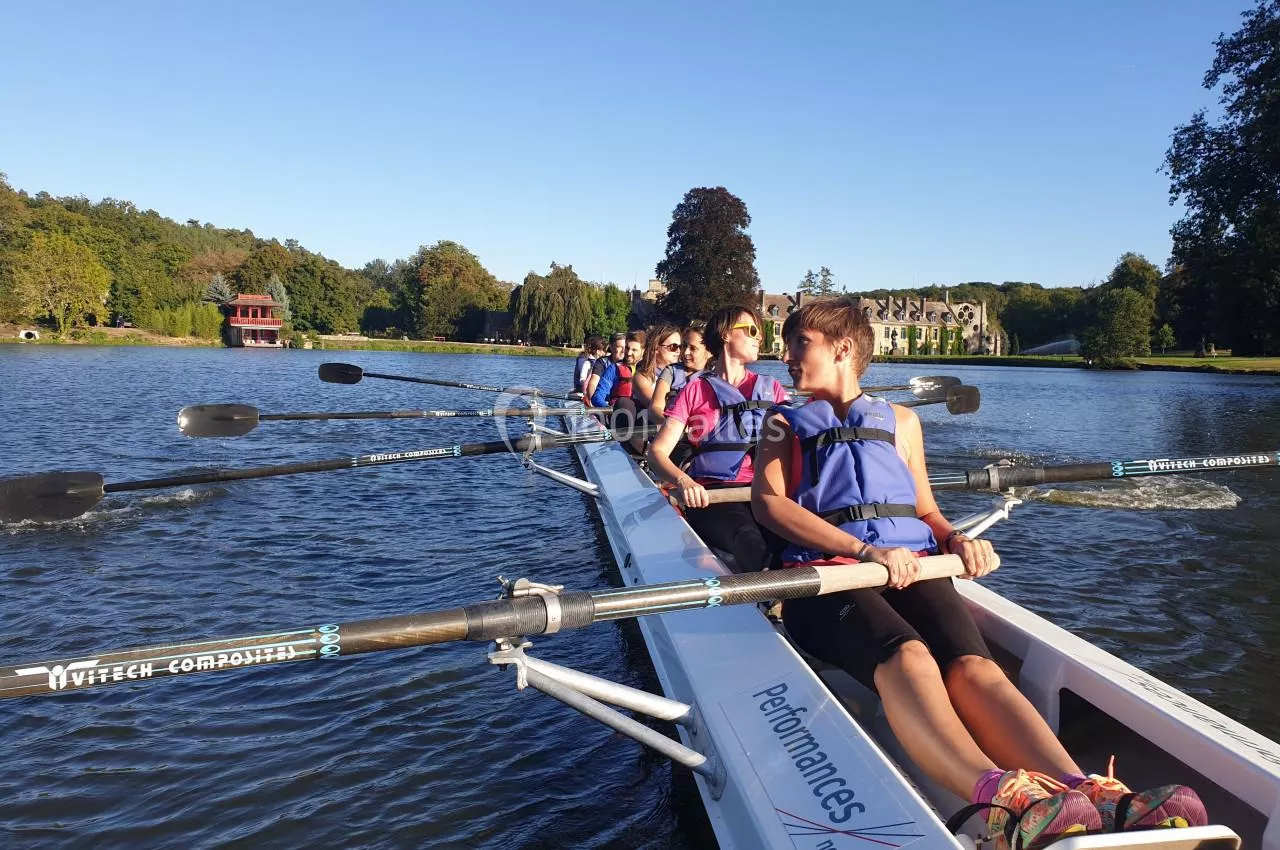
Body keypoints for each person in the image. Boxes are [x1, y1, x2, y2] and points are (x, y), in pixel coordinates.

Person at [750, 299, 1206, 848]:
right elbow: (769, 506)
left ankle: (1085, 791)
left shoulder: (902, 422)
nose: (785, 354)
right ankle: (1001, 800)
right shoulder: (782, 424)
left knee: (974, 667)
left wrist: (956, 539)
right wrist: (863, 550)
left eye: (799, 342)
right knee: (909, 656)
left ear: (842, 348)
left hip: (911, 564)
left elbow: (924, 509)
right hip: (828, 577)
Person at [647, 306, 787, 574]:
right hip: (713, 497)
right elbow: (657, 453)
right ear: (726, 334)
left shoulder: (773, 389)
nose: (760, 338)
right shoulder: (695, 390)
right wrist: (684, 481)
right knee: (750, 542)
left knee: (795, 547)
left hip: (767, 491)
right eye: (753, 330)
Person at [650, 321, 712, 421]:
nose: (686, 352)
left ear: (709, 352)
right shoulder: (671, 372)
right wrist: (670, 425)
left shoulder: (714, 379)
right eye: (685, 346)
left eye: (693, 349)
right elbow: (655, 408)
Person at [591, 330, 644, 408]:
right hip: (619, 411)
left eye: (634, 350)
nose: (628, 353)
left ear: (643, 351)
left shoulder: (650, 370)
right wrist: (608, 407)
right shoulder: (613, 369)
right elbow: (597, 396)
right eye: (627, 348)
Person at [585, 333, 626, 403]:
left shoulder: (629, 363)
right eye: (619, 347)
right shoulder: (602, 362)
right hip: (604, 401)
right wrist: (595, 401)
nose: (623, 351)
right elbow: (593, 384)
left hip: (623, 402)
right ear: (611, 347)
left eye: (625, 347)